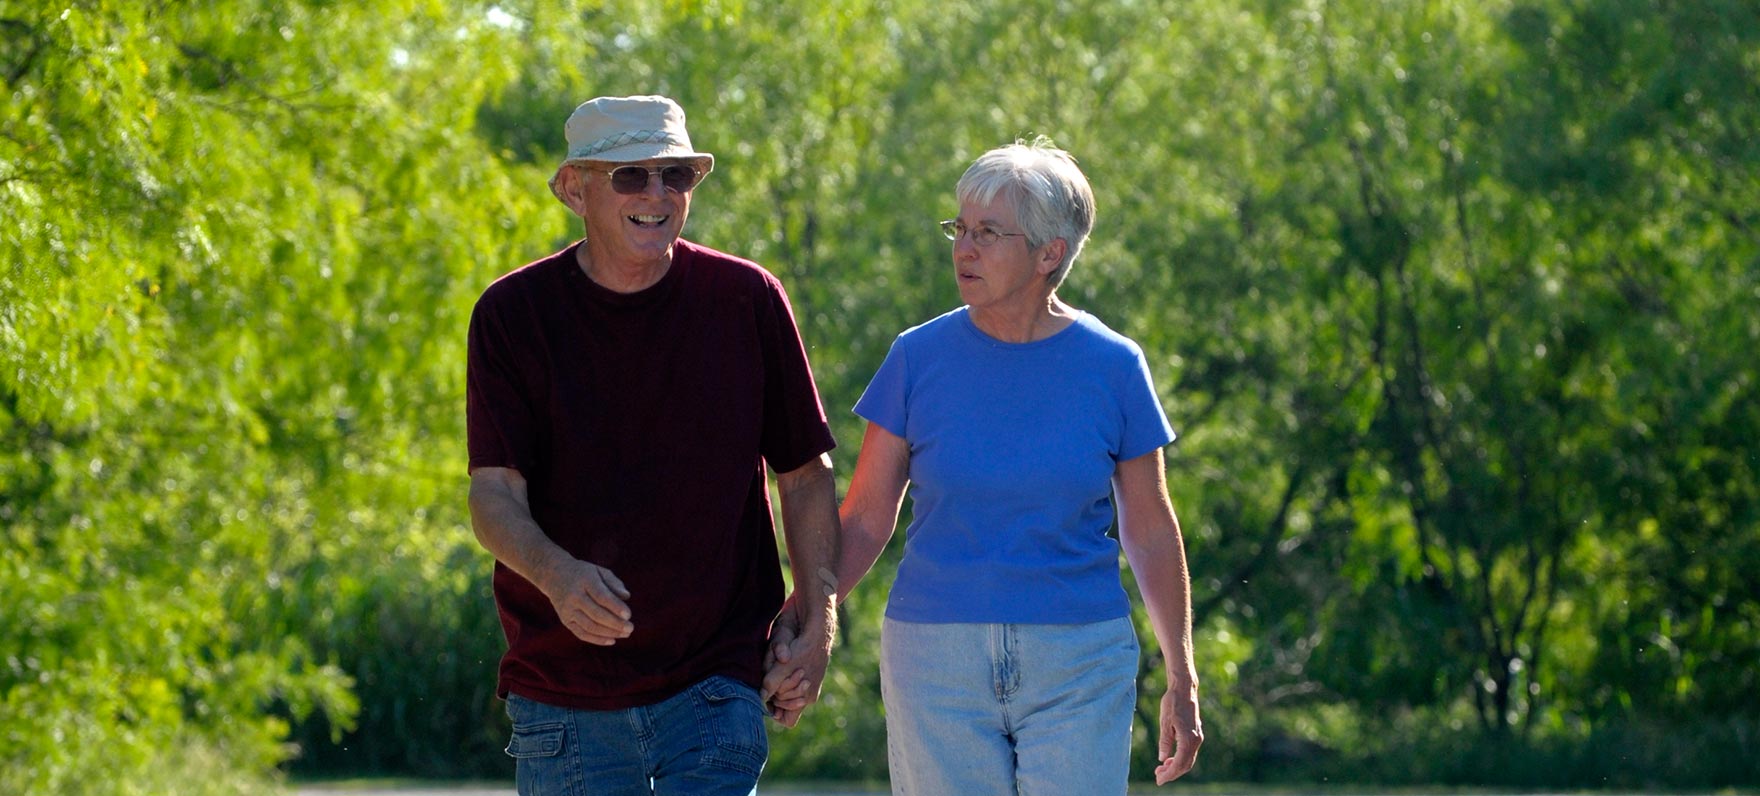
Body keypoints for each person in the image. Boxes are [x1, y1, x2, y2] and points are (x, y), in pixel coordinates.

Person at [767, 138, 1203, 793]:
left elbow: (1149, 526)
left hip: (1079, 659)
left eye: (988, 234)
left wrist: (1182, 674)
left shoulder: (1115, 367)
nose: (962, 249)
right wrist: (802, 618)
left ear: (1048, 253)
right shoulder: (916, 357)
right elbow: (865, 517)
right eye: (960, 229)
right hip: (934, 659)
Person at [466, 94, 840, 796]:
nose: (657, 196)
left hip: (717, 678)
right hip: (564, 688)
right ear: (575, 189)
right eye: (630, 176)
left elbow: (806, 474)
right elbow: (492, 496)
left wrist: (820, 618)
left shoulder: (747, 298)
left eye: (676, 177)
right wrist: (556, 573)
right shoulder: (512, 316)